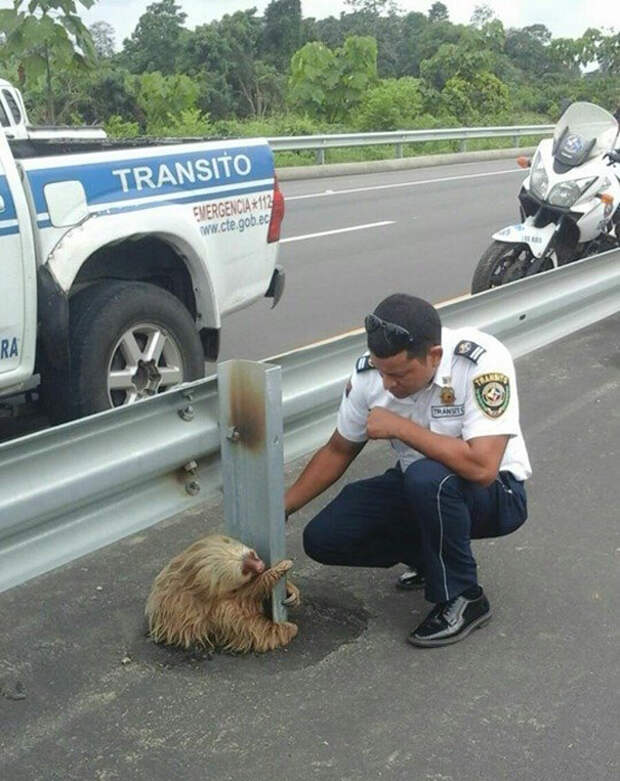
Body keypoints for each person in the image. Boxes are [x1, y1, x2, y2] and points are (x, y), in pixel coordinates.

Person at [284, 294, 531, 647]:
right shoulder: (371, 376)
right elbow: (338, 449)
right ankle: (431, 559)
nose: (387, 384)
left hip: (497, 495)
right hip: (421, 488)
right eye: (381, 371)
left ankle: (464, 597)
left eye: (398, 374)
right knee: (325, 537)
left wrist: (401, 428)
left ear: (434, 357)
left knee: (428, 478)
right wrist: (284, 506)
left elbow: (482, 467)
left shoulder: (480, 361)